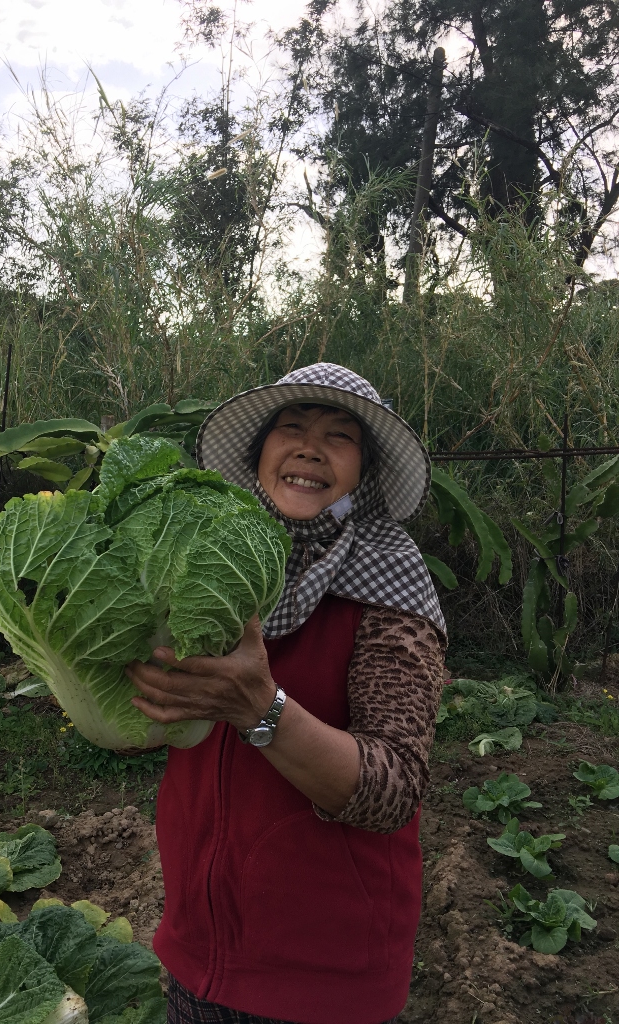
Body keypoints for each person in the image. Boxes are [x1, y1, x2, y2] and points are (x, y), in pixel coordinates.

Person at [125, 363, 447, 1024]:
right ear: (260, 453)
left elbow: (393, 787)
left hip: (326, 981)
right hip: (197, 951)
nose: (309, 447)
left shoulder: (393, 586)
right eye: (290, 428)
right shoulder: (199, 563)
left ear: (367, 471)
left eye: (339, 436)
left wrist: (259, 710)